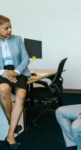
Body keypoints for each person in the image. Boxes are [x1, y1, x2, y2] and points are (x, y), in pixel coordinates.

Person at [0, 15, 30, 149]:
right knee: (3, 90)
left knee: (21, 95)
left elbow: (26, 58)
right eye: (6, 28)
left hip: (18, 70)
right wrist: (3, 73)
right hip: (1, 71)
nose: (10, 30)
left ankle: (10, 134)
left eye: (10, 27)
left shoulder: (17, 39)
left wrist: (16, 72)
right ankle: (13, 122)